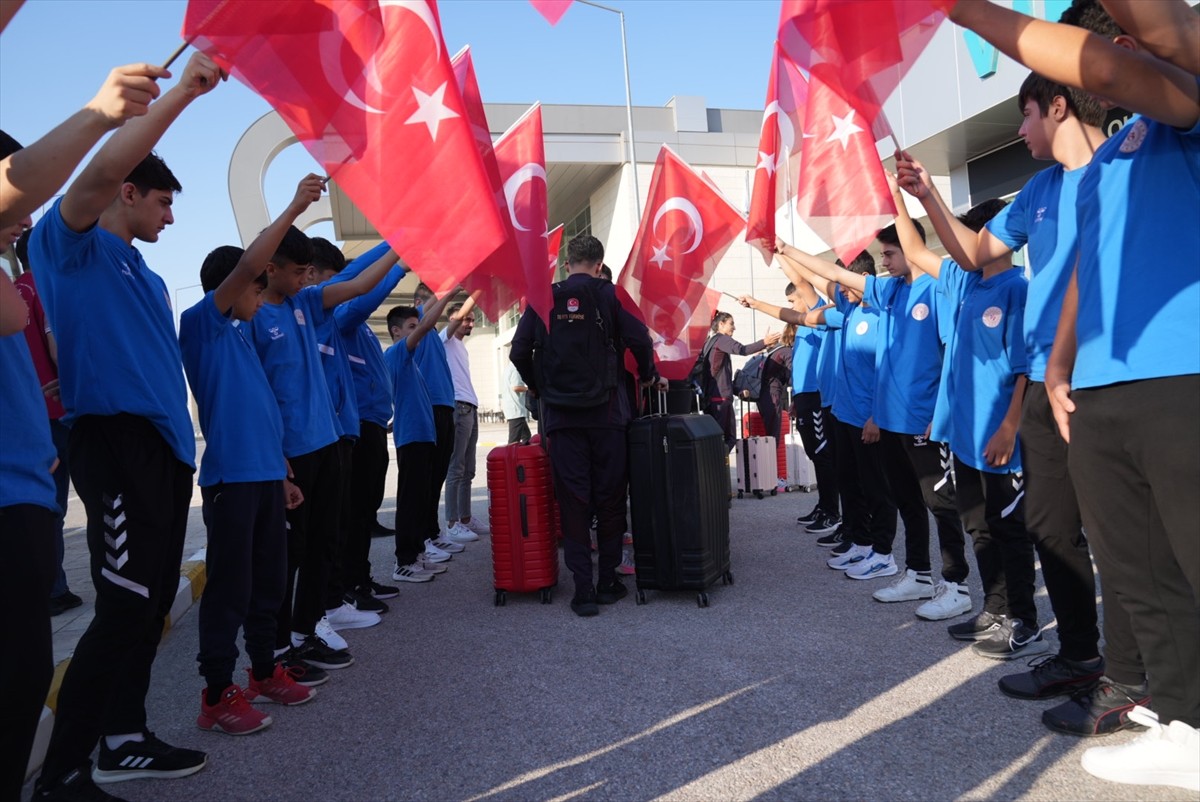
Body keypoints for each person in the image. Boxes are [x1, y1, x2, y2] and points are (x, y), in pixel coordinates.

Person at [951, 0, 1199, 791]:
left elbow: (1145, 52)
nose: (1107, 59)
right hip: (1097, 385)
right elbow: (1088, 268)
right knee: (1137, 570)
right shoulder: (1112, 158)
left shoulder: (1182, 111)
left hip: (1180, 373)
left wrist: (960, 9)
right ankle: (1186, 721)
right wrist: (1058, 366)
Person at [896, 69, 1131, 732]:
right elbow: (973, 254)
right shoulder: (1038, 192)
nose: (1020, 131)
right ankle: (1081, 657)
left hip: (1114, 377)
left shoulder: (1122, 166)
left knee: (1122, 538)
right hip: (1049, 386)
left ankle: (1144, 684)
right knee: (1052, 528)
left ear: (1057, 105)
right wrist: (927, 195)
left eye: (1025, 116)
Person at [28, 53, 224, 801]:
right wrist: (180, 94)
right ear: (131, 191)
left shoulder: (142, 274)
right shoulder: (67, 245)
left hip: (165, 455)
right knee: (120, 609)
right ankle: (66, 773)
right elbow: (97, 174)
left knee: (144, 607)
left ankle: (125, 738)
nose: (171, 217)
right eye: (164, 202)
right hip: (111, 446)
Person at [180, 176, 325, 738]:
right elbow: (246, 268)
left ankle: (263, 670)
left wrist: (282, 472)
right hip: (231, 482)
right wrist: (294, 206)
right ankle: (217, 694)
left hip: (265, 478)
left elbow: (260, 411)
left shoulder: (241, 336)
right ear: (230, 287)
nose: (261, 297)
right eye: (256, 288)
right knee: (229, 588)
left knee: (269, 580)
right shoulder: (203, 325)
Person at [891, 186, 1046, 658]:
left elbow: (1025, 367)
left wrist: (1009, 426)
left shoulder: (1017, 289)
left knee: (1010, 530)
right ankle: (994, 609)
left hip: (1000, 438)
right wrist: (896, 194)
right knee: (979, 527)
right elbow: (916, 248)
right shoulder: (965, 282)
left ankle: (1024, 620)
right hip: (964, 436)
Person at [780, 228, 971, 589]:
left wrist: (940, 413)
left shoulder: (935, 289)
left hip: (924, 421)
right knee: (907, 500)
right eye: (882, 255)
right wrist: (783, 248)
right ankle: (918, 573)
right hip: (892, 420)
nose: (884, 261)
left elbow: (952, 354)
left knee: (940, 505)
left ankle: (956, 584)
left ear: (911, 250)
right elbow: (833, 275)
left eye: (889, 254)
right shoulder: (890, 291)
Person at [246, 226, 398, 672]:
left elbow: (358, 283)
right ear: (270, 269)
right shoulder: (253, 317)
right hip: (290, 455)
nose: (306, 278)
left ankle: (306, 629)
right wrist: (276, 460)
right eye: (298, 271)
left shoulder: (305, 304)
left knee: (322, 544)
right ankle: (276, 647)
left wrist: (400, 249)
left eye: (310, 271)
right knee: (289, 555)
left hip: (327, 443)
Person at [510, 235, 660, 617]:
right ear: (599, 264)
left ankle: (583, 591)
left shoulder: (544, 296)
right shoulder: (610, 294)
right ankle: (608, 580)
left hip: (560, 418)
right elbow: (640, 338)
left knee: (574, 500)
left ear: (566, 264)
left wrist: (541, 387)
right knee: (609, 497)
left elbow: (518, 350)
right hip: (608, 414)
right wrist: (646, 373)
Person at [0, 189, 60, 802]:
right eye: (19, 192)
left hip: (27, 487)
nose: (27, 218)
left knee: (27, 669)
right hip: (8, 496)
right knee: (19, 671)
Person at [328, 242, 407, 607]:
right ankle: (349, 584)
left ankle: (360, 577)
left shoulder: (357, 328)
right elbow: (362, 298)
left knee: (365, 510)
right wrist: (398, 263)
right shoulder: (341, 319)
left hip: (374, 425)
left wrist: (393, 243)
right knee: (354, 512)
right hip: (357, 426)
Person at [12, 229, 82, 616]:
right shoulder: (46, 288)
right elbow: (58, 348)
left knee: (47, 506)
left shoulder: (11, 290)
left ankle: (50, 587)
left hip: (29, 416)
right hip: (61, 411)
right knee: (98, 497)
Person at [740, 280, 839, 530]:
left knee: (822, 454)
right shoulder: (802, 325)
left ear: (806, 297)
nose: (792, 306)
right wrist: (795, 399)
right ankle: (824, 506)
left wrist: (782, 252)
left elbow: (803, 283)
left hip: (817, 396)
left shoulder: (818, 319)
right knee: (814, 453)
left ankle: (832, 512)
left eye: (794, 300)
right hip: (804, 397)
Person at [385, 295, 456, 583]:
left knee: (420, 497)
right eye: (412, 325)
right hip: (412, 437)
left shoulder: (411, 360)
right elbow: (428, 324)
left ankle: (416, 554)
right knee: (410, 500)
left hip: (423, 436)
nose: (420, 329)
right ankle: (404, 562)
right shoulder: (396, 354)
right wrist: (448, 294)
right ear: (396, 332)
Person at [411, 283, 471, 559]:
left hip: (445, 409)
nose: (435, 309)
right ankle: (422, 540)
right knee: (428, 478)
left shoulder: (435, 337)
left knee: (436, 478)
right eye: (429, 303)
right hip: (430, 410)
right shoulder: (420, 334)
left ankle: (433, 533)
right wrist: (462, 289)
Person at [700, 311, 781, 452]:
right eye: (731, 323)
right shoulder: (721, 339)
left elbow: (718, 377)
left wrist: (737, 390)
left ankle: (716, 467)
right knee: (728, 439)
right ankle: (719, 469)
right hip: (721, 400)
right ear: (721, 324)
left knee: (717, 439)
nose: (734, 328)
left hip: (712, 399)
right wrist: (764, 342)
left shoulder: (709, 343)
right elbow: (742, 350)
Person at [442, 298, 488, 540]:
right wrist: (477, 291)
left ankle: (466, 518)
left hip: (470, 407)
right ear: (453, 320)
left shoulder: (462, 346)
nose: (470, 322)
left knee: (468, 469)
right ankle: (451, 523)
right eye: (466, 318)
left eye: (472, 319)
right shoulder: (446, 340)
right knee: (456, 467)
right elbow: (458, 318)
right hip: (458, 407)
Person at [502, 347, 532, 445]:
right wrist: (530, 389)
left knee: (527, 437)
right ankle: (511, 460)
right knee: (513, 442)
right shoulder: (516, 369)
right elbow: (516, 387)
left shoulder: (508, 368)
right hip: (516, 411)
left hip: (515, 410)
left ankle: (523, 459)